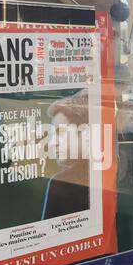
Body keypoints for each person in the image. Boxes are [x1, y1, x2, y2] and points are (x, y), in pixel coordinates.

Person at [41, 90, 90, 220]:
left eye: (60, 133)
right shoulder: (109, 167)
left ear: (85, 132)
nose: (52, 144)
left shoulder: (61, 183)